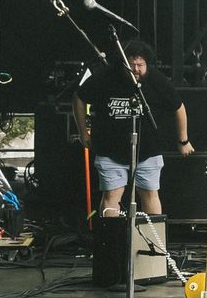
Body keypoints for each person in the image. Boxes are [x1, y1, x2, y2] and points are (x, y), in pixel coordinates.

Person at [73, 40, 195, 217]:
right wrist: (83, 132)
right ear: (123, 63)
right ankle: (111, 234)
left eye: (140, 65)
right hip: (110, 149)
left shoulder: (156, 79)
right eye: (131, 65)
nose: (136, 69)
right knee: (111, 196)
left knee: (150, 194)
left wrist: (183, 140)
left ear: (147, 64)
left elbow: (179, 107)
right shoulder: (106, 76)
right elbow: (79, 98)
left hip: (148, 150)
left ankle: (152, 235)